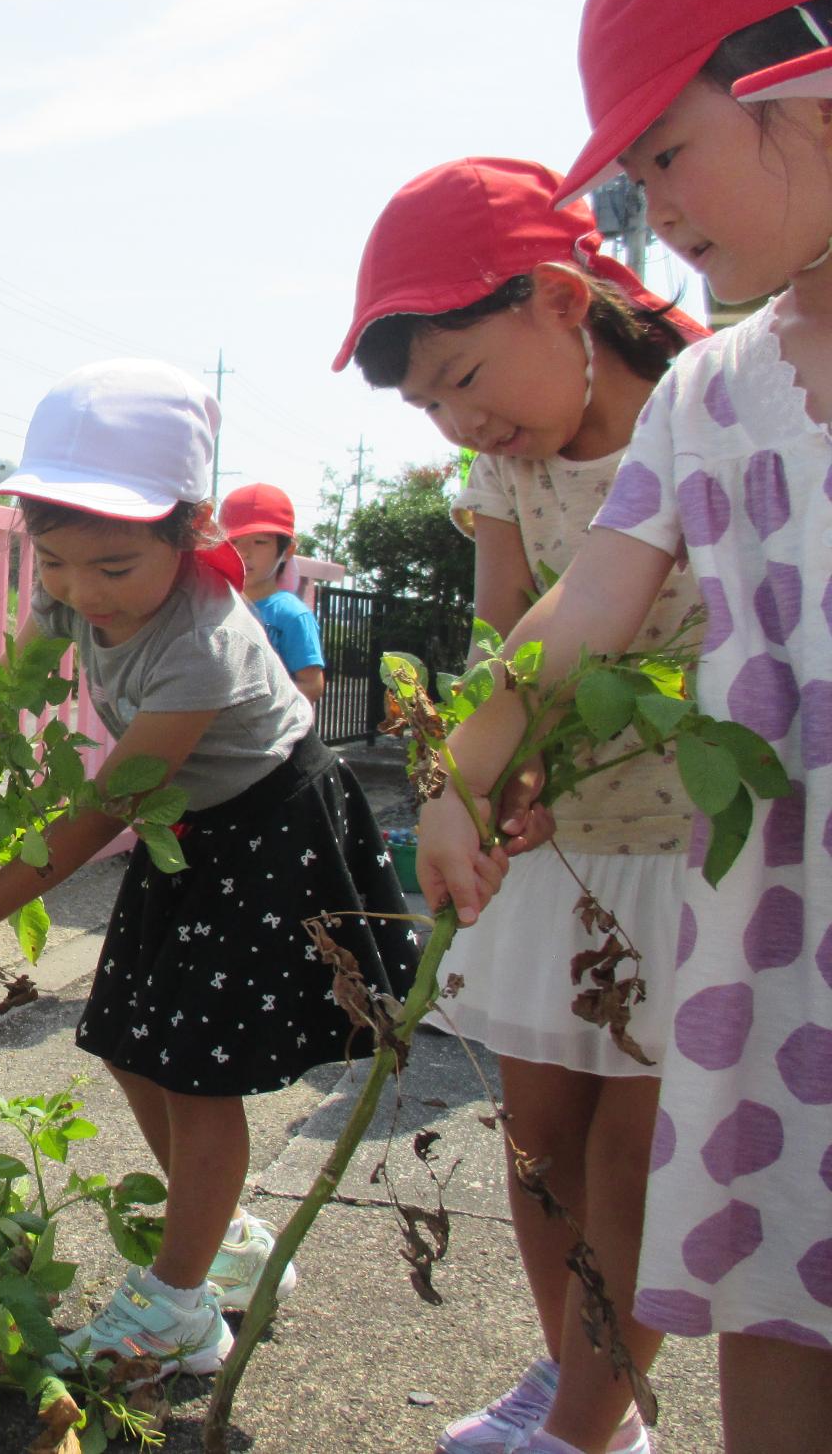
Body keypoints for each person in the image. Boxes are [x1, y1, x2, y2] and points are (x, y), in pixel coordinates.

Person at [417, 0, 832, 1450]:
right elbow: (578, 607)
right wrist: (466, 767)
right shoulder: (711, 393)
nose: (654, 214)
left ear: (801, 70)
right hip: (781, 939)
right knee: (778, 1301)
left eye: (665, 154)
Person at [0, 360, 420, 1373]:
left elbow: (110, 808)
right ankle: (219, 1243)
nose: (82, 592)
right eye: (53, 563)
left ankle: (178, 1305)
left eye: (112, 567)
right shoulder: (70, 588)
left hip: (263, 835)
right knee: (127, 1040)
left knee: (194, 1074)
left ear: (186, 534)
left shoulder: (203, 641)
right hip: (190, 833)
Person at [337, 155, 707, 1454]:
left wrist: (472, 771)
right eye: (431, 405)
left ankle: (590, 1422)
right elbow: (508, 626)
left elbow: (597, 611)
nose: (461, 424)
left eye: (467, 379)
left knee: (632, 1156)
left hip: (695, 854)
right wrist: (509, 772)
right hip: (561, 840)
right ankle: (582, 1391)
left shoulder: (702, 406)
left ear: (561, 300)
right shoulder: (506, 474)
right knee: (540, 1137)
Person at [218, 483, 325, 707]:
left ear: (287, 551)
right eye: (234, 542)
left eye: (260, 542)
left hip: (272, 739)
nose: (244, 553)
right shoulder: (215, 606)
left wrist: (254, 706)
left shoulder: (291, 615)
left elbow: (312, 686)